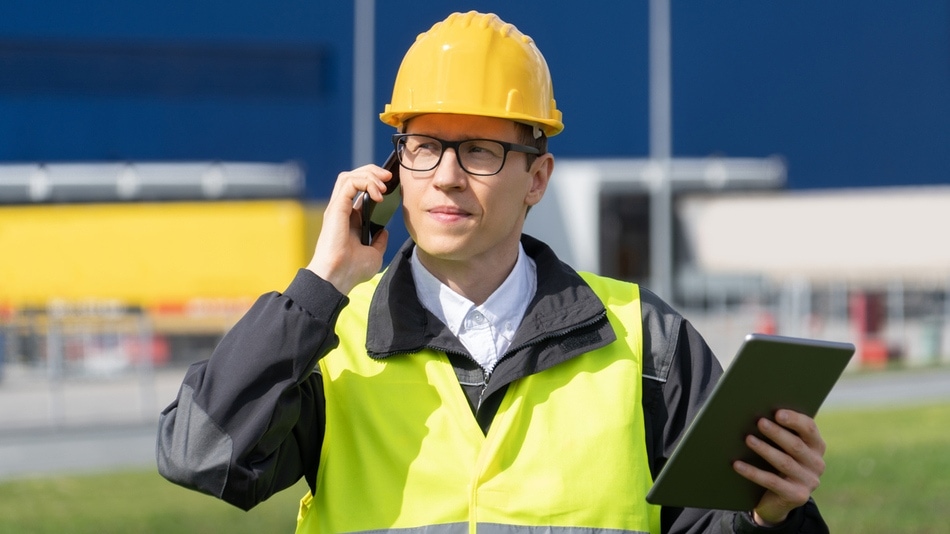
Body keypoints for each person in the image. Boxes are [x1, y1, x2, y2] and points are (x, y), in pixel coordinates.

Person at [157, 11, 829, 534]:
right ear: (394, 169)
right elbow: (199, 455)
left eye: (478, 151)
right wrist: (320, 282)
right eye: (424, 148)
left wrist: (770, 515)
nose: (446, 177)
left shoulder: (647, 343)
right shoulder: (329, 346)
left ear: (537, 177)